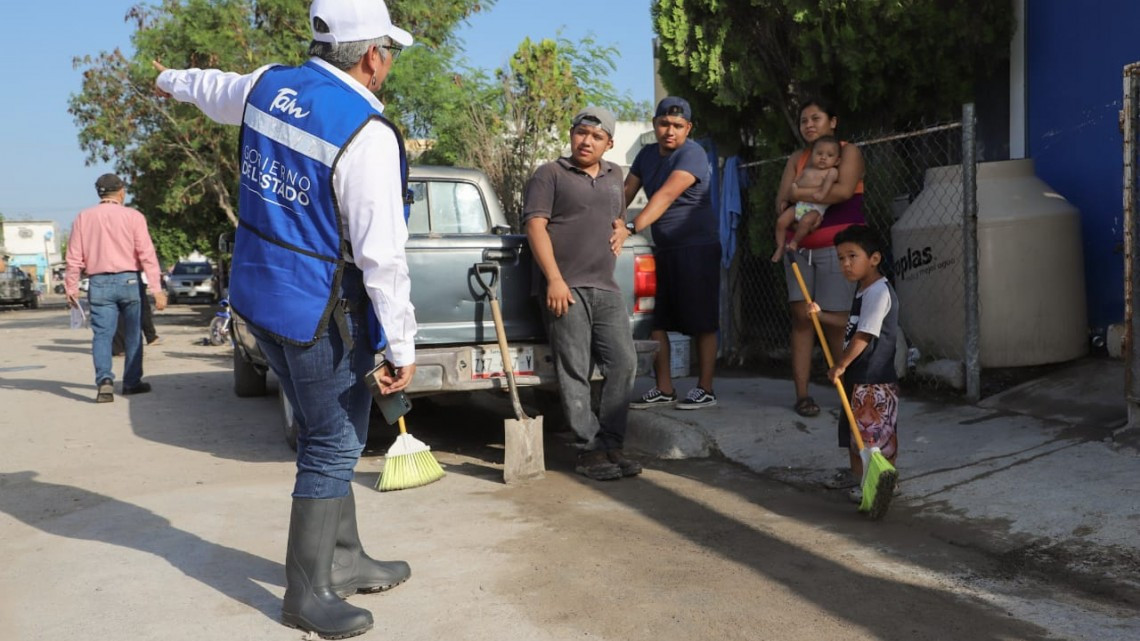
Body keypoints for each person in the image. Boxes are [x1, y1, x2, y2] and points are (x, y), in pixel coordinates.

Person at [154, 1, 416, 637]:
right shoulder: (366, 131)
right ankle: (307, 594)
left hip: (259, 297)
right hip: (317, 308)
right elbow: (382, 255)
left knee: (332, 429)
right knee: (332, 442)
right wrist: (402, 344)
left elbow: (211, 88)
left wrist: (168, 79)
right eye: (389, 51)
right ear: (372, 56)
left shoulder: (268, 84)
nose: (388, 62)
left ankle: (346, 558)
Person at [523, 106, 641, 482]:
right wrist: (554, 279)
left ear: (609, 143)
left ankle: (612, 443)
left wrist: (623, 229)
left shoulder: (614, 175)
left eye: (596, 136)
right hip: (565, 287)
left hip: (605, 285)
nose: (586, 141)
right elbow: (535, 227)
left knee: (624, 363)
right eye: (581, 133)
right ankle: (589, 451)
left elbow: (617, 218)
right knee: (575, 368)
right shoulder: (549, 174)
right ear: (571, 134)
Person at [624, 96, 720, 410]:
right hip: (662, 250)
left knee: (702, 321)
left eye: (677, 125)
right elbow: (625, 192)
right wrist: (605, 221)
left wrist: (630, 226)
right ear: (655, 124)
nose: (670, 131)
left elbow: (665, 195)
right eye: (664, 124)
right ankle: (664, 388)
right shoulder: (646, 155)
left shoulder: (692, 153)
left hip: (696, 248)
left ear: (688, 128)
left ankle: (705, 389)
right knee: (656, 320)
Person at [776, 100, 866, 420]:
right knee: (802, 319)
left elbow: (842, 192)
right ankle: (802, 395)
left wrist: (798, 193)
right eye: (804, 120)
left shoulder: (847, 151)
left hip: (837, 250)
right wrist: (798, 197)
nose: (809, 125)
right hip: (799, 250)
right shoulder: (797, 158)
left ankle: (849, 396)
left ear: (833, 121)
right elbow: (781, 200)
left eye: (816, 118)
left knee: (835, 320)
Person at [808, 225, 900, 502]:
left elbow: (864, 334)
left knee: (876, 437)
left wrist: (841, 365)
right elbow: (852, 321)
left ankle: (885, 481)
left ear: (874, 258)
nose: (845, 264)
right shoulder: (864, 290)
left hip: (874, 380)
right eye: (841, 258)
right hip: (859, 377)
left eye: (852, 256)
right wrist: (821, 316)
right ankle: (862, 480)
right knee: (855, 434)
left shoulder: (878, 292)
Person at [65, 173, 167, 403]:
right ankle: (131, 383)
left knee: (102, 335)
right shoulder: (134, 216)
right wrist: (157, 289)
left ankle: (104, 381)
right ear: (121, 192)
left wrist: (71, 288)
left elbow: (74, 258)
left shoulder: (83, 217)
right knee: (133, 334)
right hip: (129, 281)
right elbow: (147, 254)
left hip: (98, 282)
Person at [770, 135, 841, 263]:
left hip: (816, 209)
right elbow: (795, 185)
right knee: (781, 222)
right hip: (799, 205)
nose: (823, 157)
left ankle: (795, 241)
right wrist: (787, 200)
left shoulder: (832, 172)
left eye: (829, 155)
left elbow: (828, 184)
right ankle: (780, 246)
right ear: (812, 155)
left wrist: (822, 194)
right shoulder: (807, 170)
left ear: (837, 161)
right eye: (819, 154)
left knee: (806, 221)